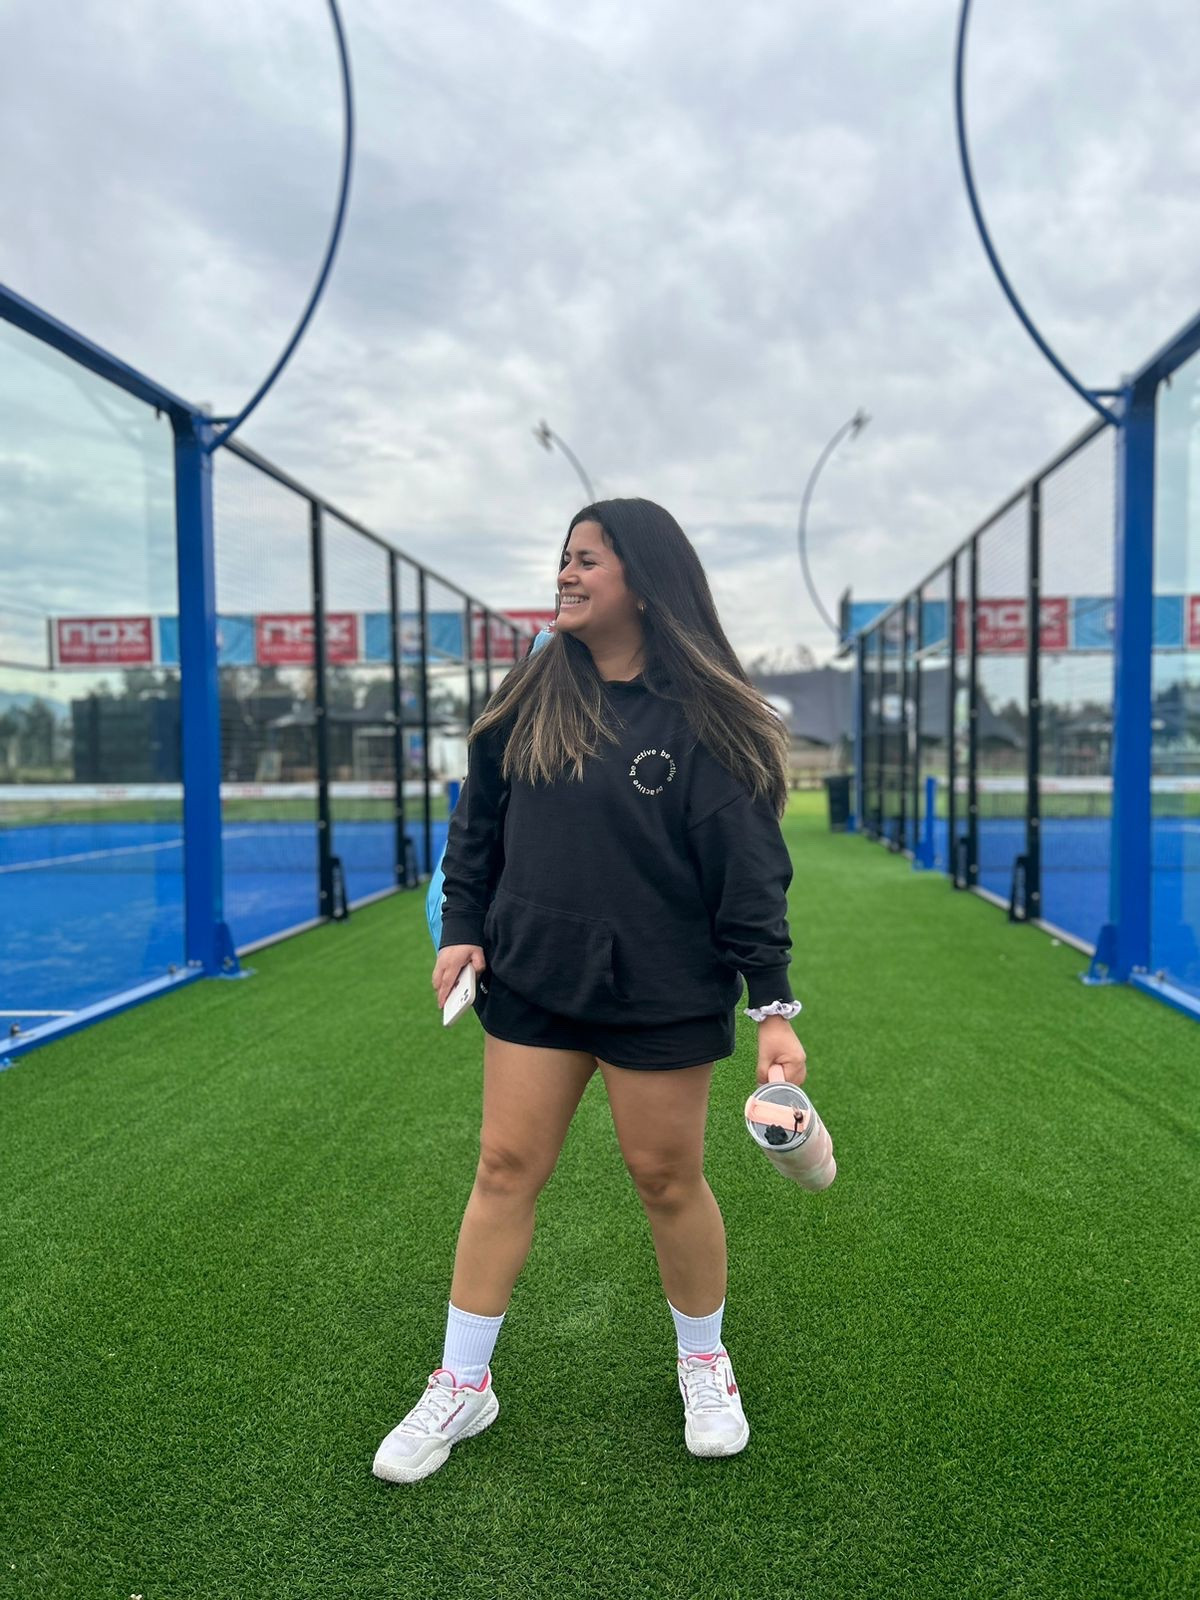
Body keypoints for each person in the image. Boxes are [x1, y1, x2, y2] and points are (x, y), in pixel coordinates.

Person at [373, 498, 807, 1484]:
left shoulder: (706, 718)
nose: (565, 575)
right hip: (534, 977)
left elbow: (748, 873)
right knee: (503, 1167)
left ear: (644, 582)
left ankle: (704, 1364)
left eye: (587, 561)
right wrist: (463, 927)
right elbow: (476, 827)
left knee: (666, 1180)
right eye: (563, 559)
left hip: (665, 989)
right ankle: (463, 1384)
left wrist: (773, 1006)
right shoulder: (531, 692)